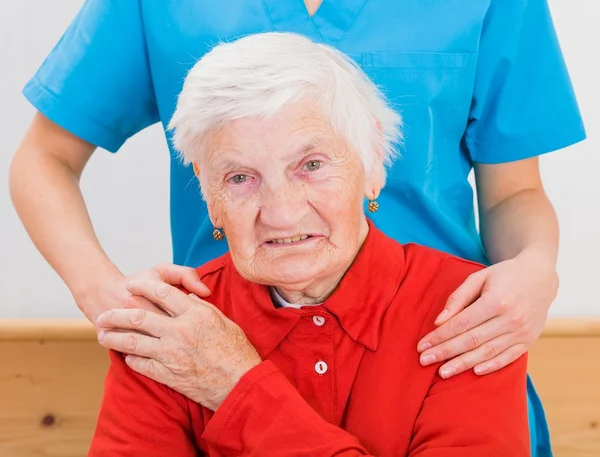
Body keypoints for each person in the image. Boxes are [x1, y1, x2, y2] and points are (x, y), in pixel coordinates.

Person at [8, 1, 585, 455]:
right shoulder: (175, 342)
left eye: (313, 165)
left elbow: (515, 191)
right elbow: (45, 157)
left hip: (444, 344)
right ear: (210, 192)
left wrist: (535, 266)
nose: (283, 210)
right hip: (217, 333)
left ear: (375, 168)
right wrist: (121, 308)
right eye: (239, 176)